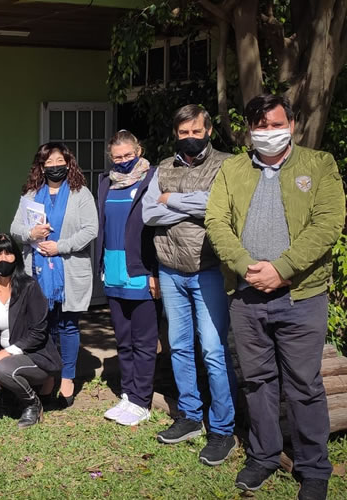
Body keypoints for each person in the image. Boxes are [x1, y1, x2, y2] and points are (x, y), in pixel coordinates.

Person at [206, 94, 345, 499]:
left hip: (301, 295)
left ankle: (314, 467)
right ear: (250, 130)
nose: (268, 132)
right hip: (246, 295)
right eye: (260, 126)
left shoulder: (319, 165)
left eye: (276, 124)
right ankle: (263, 456)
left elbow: (328, 223)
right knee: (257, 381)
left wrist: (282, 269)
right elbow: (216, 221)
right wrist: (247, 265)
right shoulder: (233, 169)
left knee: (304, 384)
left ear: (293, 125)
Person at [141, 104, 237, 466]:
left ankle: (223, 429)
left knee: (213, 350)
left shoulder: (226, 165)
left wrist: (172, 200)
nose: (191, 137)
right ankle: (190, 416)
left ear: (208, 131)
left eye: (197, 131)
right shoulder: (164, 167)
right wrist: (191, 207)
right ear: (176, 134)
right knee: (179, 346)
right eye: (184, 132)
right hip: (170, 269)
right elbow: (149, 212)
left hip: (208, 269)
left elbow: (219, 205)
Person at [10, 142, 98, 406]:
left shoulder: (80, 194)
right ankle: (49, 375)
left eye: (59, 161)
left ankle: (68, 377)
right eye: (49, 162)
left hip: (68, 269)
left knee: (68, 325)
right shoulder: (30, 194)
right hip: (37, 271)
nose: (55, 166)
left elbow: (90, 229)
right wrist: (31, 234)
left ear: (68, 163)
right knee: (43, 325)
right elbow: (15, 228)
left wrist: (60, 246)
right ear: (41, 166)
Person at [96, 130, 161, 426]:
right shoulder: (105, 183)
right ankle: (128, 394)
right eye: (117, 157)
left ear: (139, 151)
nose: (123, 161)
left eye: (128, 155)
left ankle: (141, 401)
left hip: (141, 271)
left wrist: (155, 272)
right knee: (123, 340)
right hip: (113, 272)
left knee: (144, 342)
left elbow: (159, 230)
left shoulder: (152, 179)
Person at [0, 233, 62, 429]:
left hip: (35, 356)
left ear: (16, 258)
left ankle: (32, 404)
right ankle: (9, 397)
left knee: (3, 369)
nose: (3, 258)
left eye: (8, 253)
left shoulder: (29, 286)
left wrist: (4, 354)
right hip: (3, 359)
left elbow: (38, 332)